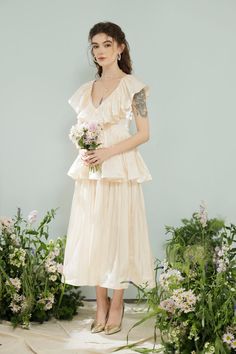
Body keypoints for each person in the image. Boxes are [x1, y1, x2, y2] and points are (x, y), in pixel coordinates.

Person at [61, 21, 156, 335]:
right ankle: (99, 305)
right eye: (95, 46)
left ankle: (117, 304)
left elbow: (143, 134)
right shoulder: (84, 92)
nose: (100, 51)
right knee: (94, 235)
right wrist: (86, 148)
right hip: (90, 172)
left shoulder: (135, 87)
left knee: (119, 234)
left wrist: (107, 152)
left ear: (120, 47)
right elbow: (83, 131)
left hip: (120, 169)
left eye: (106, 44)